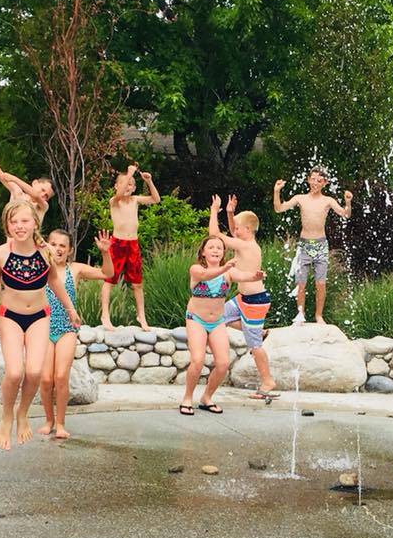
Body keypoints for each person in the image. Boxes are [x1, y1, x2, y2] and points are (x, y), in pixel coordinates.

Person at [0, 201, 81, 450]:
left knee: (35, 372)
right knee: (15, 372)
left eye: (24, 221)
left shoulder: (45, 252)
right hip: (11, 317)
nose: (19, 226)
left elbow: (55, 283)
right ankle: (6, 416)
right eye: (13, 222)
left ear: (35, 223)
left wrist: (70, 309)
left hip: (39, 316)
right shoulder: (1, 254)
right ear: (7, 225)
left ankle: (22, 413)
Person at [38, 229, 114, 439]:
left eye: (63, 245)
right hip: (42, 328)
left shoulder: (76, 269)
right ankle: (48, 420)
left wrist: (106, 253)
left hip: (67, 328)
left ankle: (60, 423)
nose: (58, 248)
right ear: (47, 245)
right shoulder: (39, 267)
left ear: (70, 250)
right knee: (45, 379)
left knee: (61, 376)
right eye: (53, 243)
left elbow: (107, 274)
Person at [180, 236, 264, 416]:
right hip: (196, 319)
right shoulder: (196, 269)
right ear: (203, 252)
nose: (216, 250)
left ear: (223, 253)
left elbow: (242, 275)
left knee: (223, 363)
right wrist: (224, 268)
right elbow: (205, 276)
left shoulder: (229, 272)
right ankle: (187, 398)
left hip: (217, 321)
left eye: (219, 248)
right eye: (211, 247)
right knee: (197, 360)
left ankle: (206, 398)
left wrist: (255, 276)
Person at [208, 194, 276, 399]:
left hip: (256, 301)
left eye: (238, 228)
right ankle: (259, 331)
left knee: (254, 345)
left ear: (247, 230)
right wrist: (229, 213)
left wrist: (214, 211)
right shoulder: (245, 241)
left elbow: (215, 234)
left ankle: (268, 381)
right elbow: (232, 231)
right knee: (218, 316)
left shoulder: (247, 246)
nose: (234, 231)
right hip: (242, 300)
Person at [273, 167, 352, 325]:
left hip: (321, 245)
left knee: (320, 284)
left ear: (325, 183)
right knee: (300, 283)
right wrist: (276, 192)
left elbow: (345, 214)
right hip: (304, 246)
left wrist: (348, 202)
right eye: (313, 179)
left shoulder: (328, 201)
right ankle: (300, 314)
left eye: (319, 180)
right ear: (308, 179)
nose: (316, 182)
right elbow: (279, 208)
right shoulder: (300, 198)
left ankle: (318, 315)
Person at [100, 165, 160, 331]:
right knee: (109, 280)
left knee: (137, 283)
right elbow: (119, 195)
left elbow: (156, 199)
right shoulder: (114, 201)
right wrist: (129, 174)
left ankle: (141, 315)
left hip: (132, 244)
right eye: (124, 183)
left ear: (134, 188)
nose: (127, 187)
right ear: (116, 186)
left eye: (130, 184)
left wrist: (149, 182)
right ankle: (105, 314)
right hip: (117, 244)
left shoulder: (135, 200)